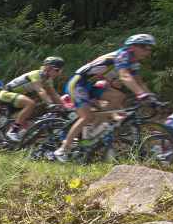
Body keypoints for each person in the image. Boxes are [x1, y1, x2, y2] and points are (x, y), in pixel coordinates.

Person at [53, 34, 158, 162]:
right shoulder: (122, 55)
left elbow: (140, 83)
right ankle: (63, 149)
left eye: (149, 48)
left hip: (91, 85)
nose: (148, 51)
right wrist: (141, 95)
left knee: (118, 96)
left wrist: (152, 98)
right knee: (87, 116)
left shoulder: (133, 63)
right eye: (145, 47)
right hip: (78, 83)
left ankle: (93, 130)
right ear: (133, 47)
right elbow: (125, 76)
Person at [0, 57, 65, 141]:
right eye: (57, 70)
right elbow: (40, 90)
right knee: (30, 104)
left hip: (18, 97)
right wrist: (50, 104)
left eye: (60, 71)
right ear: (48, 68)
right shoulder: (36, 74)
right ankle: (13, 131)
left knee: (32, 120)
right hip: (6, 93)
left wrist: (65, 108)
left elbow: (54, 95)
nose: (59, 73)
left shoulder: (48, 80)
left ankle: (17, 138)